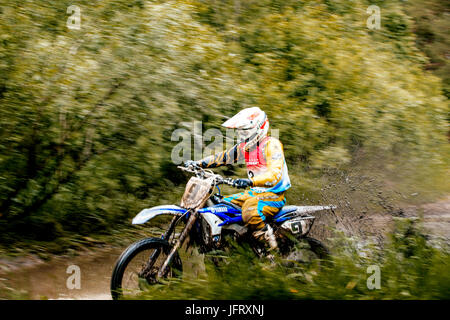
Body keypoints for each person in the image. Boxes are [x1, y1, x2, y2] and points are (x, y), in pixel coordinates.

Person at [184, 107, 291, 250]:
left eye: (245, 131)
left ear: (260, 127)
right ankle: (236, 244)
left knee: (250, 210)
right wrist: (198, 163)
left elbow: (275, 175)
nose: (241, 135)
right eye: (240, 131)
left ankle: (271, 250)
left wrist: (250, 181)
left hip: (274, 195)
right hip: (254, 193)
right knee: (220, 206)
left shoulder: (272, 145)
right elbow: (223, 157)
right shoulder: (246, 148)